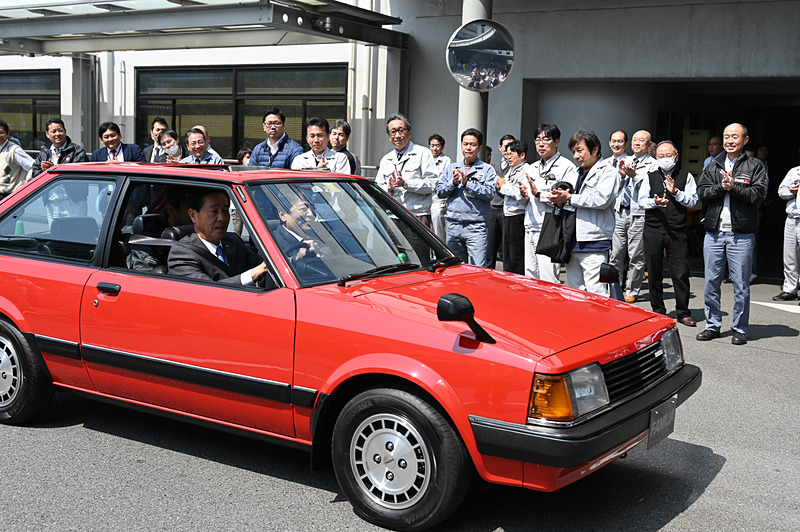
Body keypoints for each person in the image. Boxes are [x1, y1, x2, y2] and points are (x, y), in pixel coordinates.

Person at [696, 123, 768, 345]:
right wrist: (722, 187)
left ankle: (740, 328)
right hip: (714, 234)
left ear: (745, 140)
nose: (729, 140)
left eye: (734, 137)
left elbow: (759, 195)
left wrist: (734, 186)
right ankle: (712, 325)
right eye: (726, 136)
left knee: (741, 285)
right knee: (711, 283)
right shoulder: (713, 164)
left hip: (741, 236)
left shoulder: (755, 165)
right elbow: (702, 193)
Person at [548, 129, 619, 295]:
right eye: (573, 152)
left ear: (595, 150)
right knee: (574, 290)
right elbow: (568, 198)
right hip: (571, 240)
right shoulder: (575, 173)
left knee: (596, 291)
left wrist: (569, 198)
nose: (576, 156)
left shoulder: (608, 172)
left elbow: (601, 200)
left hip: (594, 241)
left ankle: (598, 322)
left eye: (580, 150)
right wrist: (558, 199)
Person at [638, 141, 698, 326]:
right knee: (654, 272)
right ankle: (658, 310)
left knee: (680, 273)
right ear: (656, 157)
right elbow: (641, 201)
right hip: (653, 229)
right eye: (661, 156)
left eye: (668, 155)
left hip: (676, 231)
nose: (665, 159)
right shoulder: (649, 176)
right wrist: (655, 202)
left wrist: (676, 192)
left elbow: (693, 201)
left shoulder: (686, 176)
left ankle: (683, 312)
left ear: (676, 156)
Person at [168, 188, 267, 285]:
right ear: (193, 215)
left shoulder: (234, 241)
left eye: (225, 211)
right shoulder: (182, 254)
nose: (222, 218)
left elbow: (265, 269)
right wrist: (252, 274)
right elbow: (207, 291)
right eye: (214, 211)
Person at [520, 123, 578, 282]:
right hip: (530, 224)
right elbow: (525, 196)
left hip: (550, 225)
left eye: (546, 140)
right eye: (537, 140)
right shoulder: (531, 168)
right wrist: (523, 194)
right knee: (530, 275)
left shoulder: (567, 167)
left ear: (556, 142)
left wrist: (539, 193)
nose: (541, 144)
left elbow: (565, 197)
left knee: (548, 277)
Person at [436, 128, 496, 267]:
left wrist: (467, 183)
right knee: (455, 269)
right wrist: (453, 183)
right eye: (465, 144)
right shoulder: (451, 168)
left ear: (479, 147)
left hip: (476, 227)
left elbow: (490, 193)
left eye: (473, 144)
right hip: (453, 226)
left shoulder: (487, 169)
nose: (468, 148)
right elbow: (439, 192)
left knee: (477, 269)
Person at [611, 130, 657, 303]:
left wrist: (634, 175)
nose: (637, 143)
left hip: (638, 213)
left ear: (649, 144)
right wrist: (621, 175)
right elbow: (615, 185)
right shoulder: (626, 160)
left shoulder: (654, 164)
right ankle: (615, 287)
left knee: (636, 254)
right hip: (621, 210)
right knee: (616, 253)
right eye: (635, 140)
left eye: (642, 140)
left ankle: (632, 289)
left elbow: (651, 186)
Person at [375, 113, 438, 228]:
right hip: (392, 215)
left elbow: (433, 184)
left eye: (401, 130)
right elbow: (378, 187)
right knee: (393, 246)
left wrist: (406, 184)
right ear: (389, 137)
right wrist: (389, 188)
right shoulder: (386, 159)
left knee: (417, 247)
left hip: (417, 215)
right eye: (393, 132)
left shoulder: (423, 153)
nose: (397, 135)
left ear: (409, 133)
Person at [497, 139, 529, 274]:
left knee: (516, 255)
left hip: (518, 216)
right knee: (507, 254)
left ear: (522, 155)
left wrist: (503, 186)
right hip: (508, 215)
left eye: (512, 154)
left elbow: (520, 194)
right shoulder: (511, 170)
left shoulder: (526, 170)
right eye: (507, 154)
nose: (508, 157)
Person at [772, 158, 800, 302]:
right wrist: (792, 192)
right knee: (790, 256)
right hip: (792, 217)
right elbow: (781, 191)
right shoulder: (794, 171)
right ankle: (790, 289)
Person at [487, 134, 515, 268]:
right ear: (500, 148)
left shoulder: (516, 167)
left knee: (506, 247)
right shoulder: (493, 166)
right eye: (506, 146)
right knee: (490, 246)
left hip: (508, 210)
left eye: (512, 146)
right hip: (493, 209)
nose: (508, 150)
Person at [0, 119, 35, 197]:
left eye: (1, 132)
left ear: (7, 133)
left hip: (9, 196)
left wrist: (26, 183)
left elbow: (33, 166)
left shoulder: (14, 150)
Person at [428, 133, 452, 240]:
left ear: (442, 147)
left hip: (438, 198)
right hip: (425, 197)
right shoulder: (425, 159)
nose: (434, 148)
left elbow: (444, 180)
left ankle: (441, 250)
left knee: (437, 224)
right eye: (432, 145)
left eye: (437, 146)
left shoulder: (446, 161)